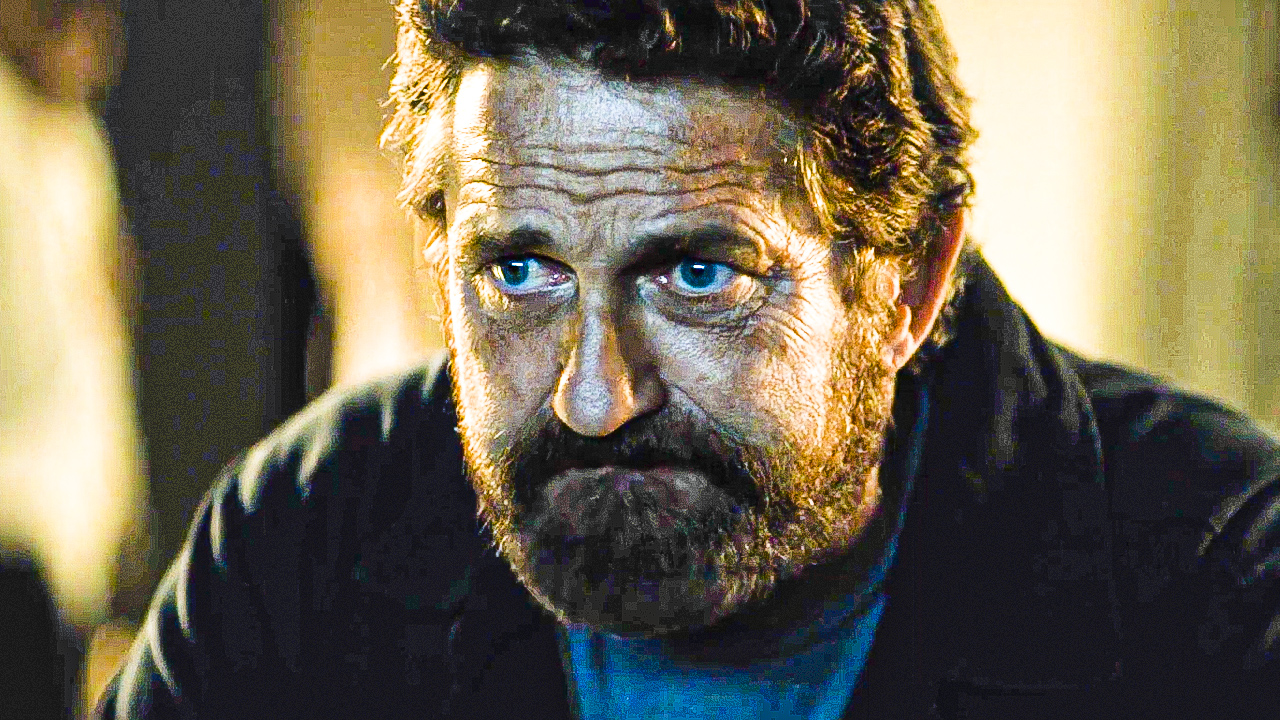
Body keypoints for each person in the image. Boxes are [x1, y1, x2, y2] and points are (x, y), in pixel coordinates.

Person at [96, 1, 1280, 718]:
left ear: (908, 285)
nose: (593, 397)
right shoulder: (298, 542)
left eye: (697, 276)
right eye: (521, 271)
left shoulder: (1218, 583)